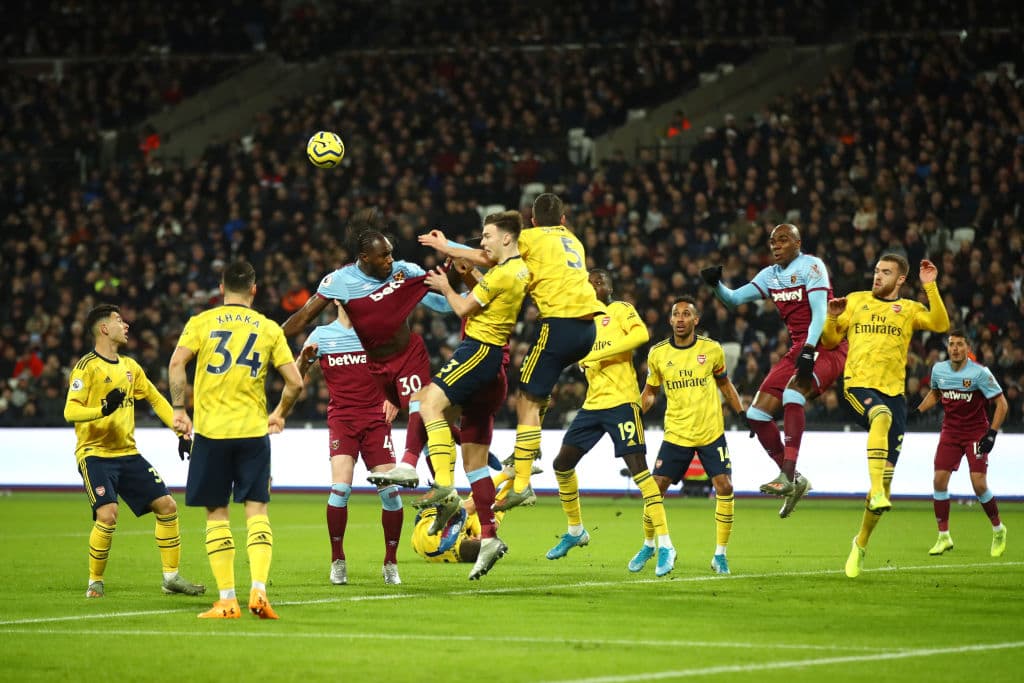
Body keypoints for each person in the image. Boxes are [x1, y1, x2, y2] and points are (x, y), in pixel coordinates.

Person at [419, 193, 604, 509]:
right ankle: (528, 450)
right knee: (538, 394)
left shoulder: (530, 239)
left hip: (559, 323)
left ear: (532, 222)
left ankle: (522, 479)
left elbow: (488, 257)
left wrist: (446, 246)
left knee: (525, 399)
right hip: (588, 329)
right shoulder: (573, 241)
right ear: (563, 220)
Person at [282, 208, 454, 489]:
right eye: (383, 256)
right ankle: (456, 449)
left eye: (390, 253)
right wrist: (269, 338)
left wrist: (467, 294)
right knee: (429, 417)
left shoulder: (404, 271)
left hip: (406, 356)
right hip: (378, 367)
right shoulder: (340, 281)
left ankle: (440, 486)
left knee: (422, 409)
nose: (390, 260)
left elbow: (441, 302)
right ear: (364, 257)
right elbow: (302, 318)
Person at [169, 260, 304, 618]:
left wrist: (179, 409)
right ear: (254, 290)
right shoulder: (268, 327)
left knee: (217, 513)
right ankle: (259, 591)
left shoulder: (201, 322)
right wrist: (279, 413)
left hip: (212, 433)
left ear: (221, 288)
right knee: (257, 510)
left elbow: (176, 364)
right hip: (253, 433)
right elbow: (296, 383)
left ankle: (227, 600)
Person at [701, 223, 847, 517]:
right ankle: (796, 480)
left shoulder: (811, 266)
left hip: (827, 346)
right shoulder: (770, 276)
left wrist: (809, 348)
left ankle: (787, 475)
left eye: (783, 240)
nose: (776, 245)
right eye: (772, 241)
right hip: (799, 348)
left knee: (793, 394)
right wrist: (716, 285)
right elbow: (733, 300)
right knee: (756, 415)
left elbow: (820, 312)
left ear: (798, 243)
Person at [416, 210, 529, 580]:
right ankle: (490, 536)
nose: (483, 243)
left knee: (427, 403)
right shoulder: (514, 271)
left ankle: (444, 488)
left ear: (507, 238)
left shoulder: (502, 273)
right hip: (495, 369)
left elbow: (464, 306)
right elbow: (485, 281)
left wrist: (445, 285)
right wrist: (464, 270)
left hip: (479, 351)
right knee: (476, 464)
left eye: (488, 235)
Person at [63, 304, 205, 599]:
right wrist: (103, 409)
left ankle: (171, 578)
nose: (126, 325)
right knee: (108, 514)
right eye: (119, 320)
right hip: (95, 453)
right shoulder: (86, 367)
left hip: (127, 453)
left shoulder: (130, 367)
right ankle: (95, 581)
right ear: (104, 328)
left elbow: (156, 399)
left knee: (167, 506)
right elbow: (70, 411)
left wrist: (180, 431)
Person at [821, 255, 950, 578]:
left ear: (901, 279)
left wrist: (931, 287)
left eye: (886, 272)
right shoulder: (856, 301)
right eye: (877, 271)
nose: (877, 276)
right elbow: (830, 340)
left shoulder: (908, 309)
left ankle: (861, 543)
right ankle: (876, 490)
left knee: (887, 475)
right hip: (858, 385)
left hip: (895, 396)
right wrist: (831, 317)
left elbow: (940, 324)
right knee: (879, 416)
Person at [543, 269, 677, 577]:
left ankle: (666, 545)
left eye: (596, 282)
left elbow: (640, 336)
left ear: (606, 286)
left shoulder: (620, 309)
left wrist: (599, 353)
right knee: (562, 464)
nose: (591, 287)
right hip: (593, 405)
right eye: (587, 284)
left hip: (622, 403)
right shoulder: (583, 323)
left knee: (640, 472)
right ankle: (575, 531)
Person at [297, 300, 405, 586]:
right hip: (343, 420)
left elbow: (399, 367)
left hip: (375, 420)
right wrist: (304, 360)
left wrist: (395, 397)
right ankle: (338, 560)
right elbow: (297, 376)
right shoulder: (321, 336)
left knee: (391, 494)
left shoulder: (376, 333)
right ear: (335, 299)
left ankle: (391, 562)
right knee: (340, 489)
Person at [639, 296, 745, 575]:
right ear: (670, 320)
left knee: (725, 487)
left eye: (687, 314)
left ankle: (720, 555)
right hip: (677, 433)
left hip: (710, 432)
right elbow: (650, 392)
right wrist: (635, 413)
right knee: (655, 488)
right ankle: (649, 544)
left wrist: (740, 412)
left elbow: (725, 384)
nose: (681, 319)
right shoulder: (658, 353)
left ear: (696, 320)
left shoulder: (711, 349)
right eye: (677, 314)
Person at [915, 330, 1008, 558]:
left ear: (968, 348)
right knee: (939, 481)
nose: (955, 348)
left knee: (979, 484)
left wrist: (991, 434)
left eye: (959, 344)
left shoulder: (979, 373)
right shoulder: (939, 369)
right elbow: (936, 393)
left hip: (976, 433)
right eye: (952, 344)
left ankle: (998, 529)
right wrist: (917, 411)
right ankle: (943, 536)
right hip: (950, 432)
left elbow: (1002, 404)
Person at [411, 467, 519, 564]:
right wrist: (514, 483)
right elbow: (499, 507)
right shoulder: (463, 554)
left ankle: (509, 474)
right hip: (419, 543)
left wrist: (505, 475)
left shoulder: (456, 530)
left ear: (475, 540)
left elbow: (478, 497)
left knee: (472, 508)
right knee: (489, 524)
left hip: (430, 516)